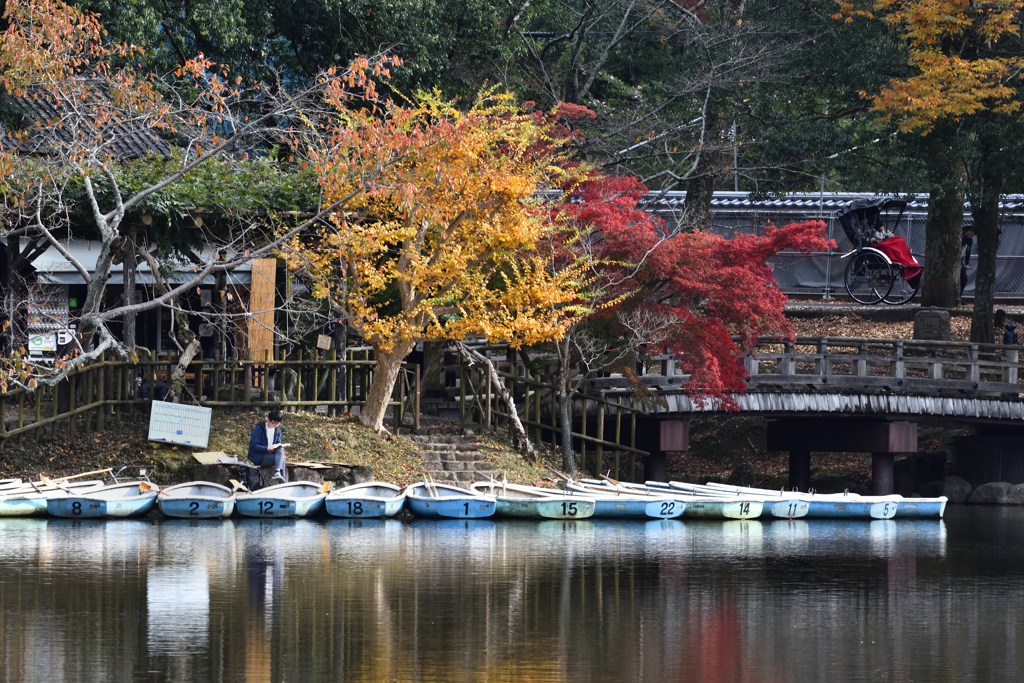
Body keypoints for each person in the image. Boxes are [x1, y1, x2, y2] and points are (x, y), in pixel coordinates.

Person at [248, 410, 289, 483]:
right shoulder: (259, 429)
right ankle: (283, 482)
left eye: (277, 423)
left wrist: (279, 447)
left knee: (280, 450)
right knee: (282, 458)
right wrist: (267, 448)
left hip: (271, 454)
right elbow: (254, 446)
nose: (275, 425)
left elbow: (277, 443)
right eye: (273, 423)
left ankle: (277, 472)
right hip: (260, 456)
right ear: (268, 419)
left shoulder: (277, 430)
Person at [961, 226, 975, 305]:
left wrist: (966, 264)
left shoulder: (969, 240)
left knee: (964, 279)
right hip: (956, 261)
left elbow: (968, 253)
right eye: (970, 231)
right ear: (966, 231)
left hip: (960, 261)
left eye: (973, 233)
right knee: (962, 279)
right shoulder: (961, 239)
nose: (972, 234)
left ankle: (958, 298)